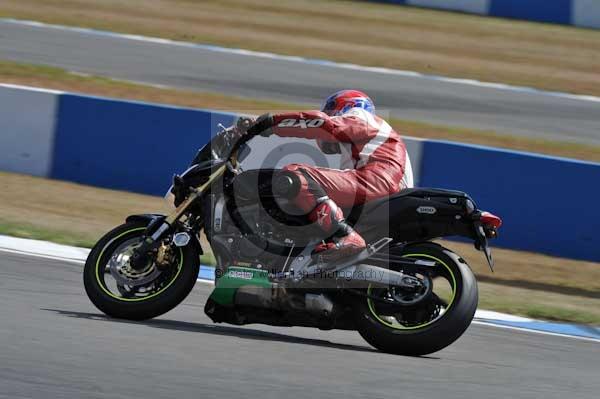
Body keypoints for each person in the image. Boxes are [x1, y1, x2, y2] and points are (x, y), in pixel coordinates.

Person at [245, 89, 413, 261]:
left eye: (331, 110)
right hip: (384, 186)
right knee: (315, 192)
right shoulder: (363, 145)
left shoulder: (362, 116)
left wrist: (272, 124)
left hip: (379, 180)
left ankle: (344, 235)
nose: (329, 115)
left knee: (296, 175)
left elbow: (327, 125)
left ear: (347, 106)